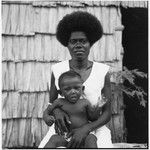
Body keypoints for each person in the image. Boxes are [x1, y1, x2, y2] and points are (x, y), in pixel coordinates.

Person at [39, 11, 113, 148]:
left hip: (94, 129)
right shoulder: (57, 69)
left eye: (83, 41)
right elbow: (52, 102)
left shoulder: (102, 71)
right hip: (63, 130)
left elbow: (107, 112)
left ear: (90, 44)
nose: (78, 45)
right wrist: (57, 111)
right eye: (73, 41)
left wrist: (86, 129)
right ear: (66, 44)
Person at [44, 70, 105, 148]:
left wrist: (98, 107)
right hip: (66, 136)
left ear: (82, 89)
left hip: (84, 135)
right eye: (67, 89)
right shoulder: (59, 102)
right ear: (60, 92)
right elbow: (47, 111)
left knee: (92, 138)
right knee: (53, 139)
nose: (73, 91)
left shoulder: (85, 103)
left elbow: (93, 118)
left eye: (76, 88)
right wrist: (47, 118)